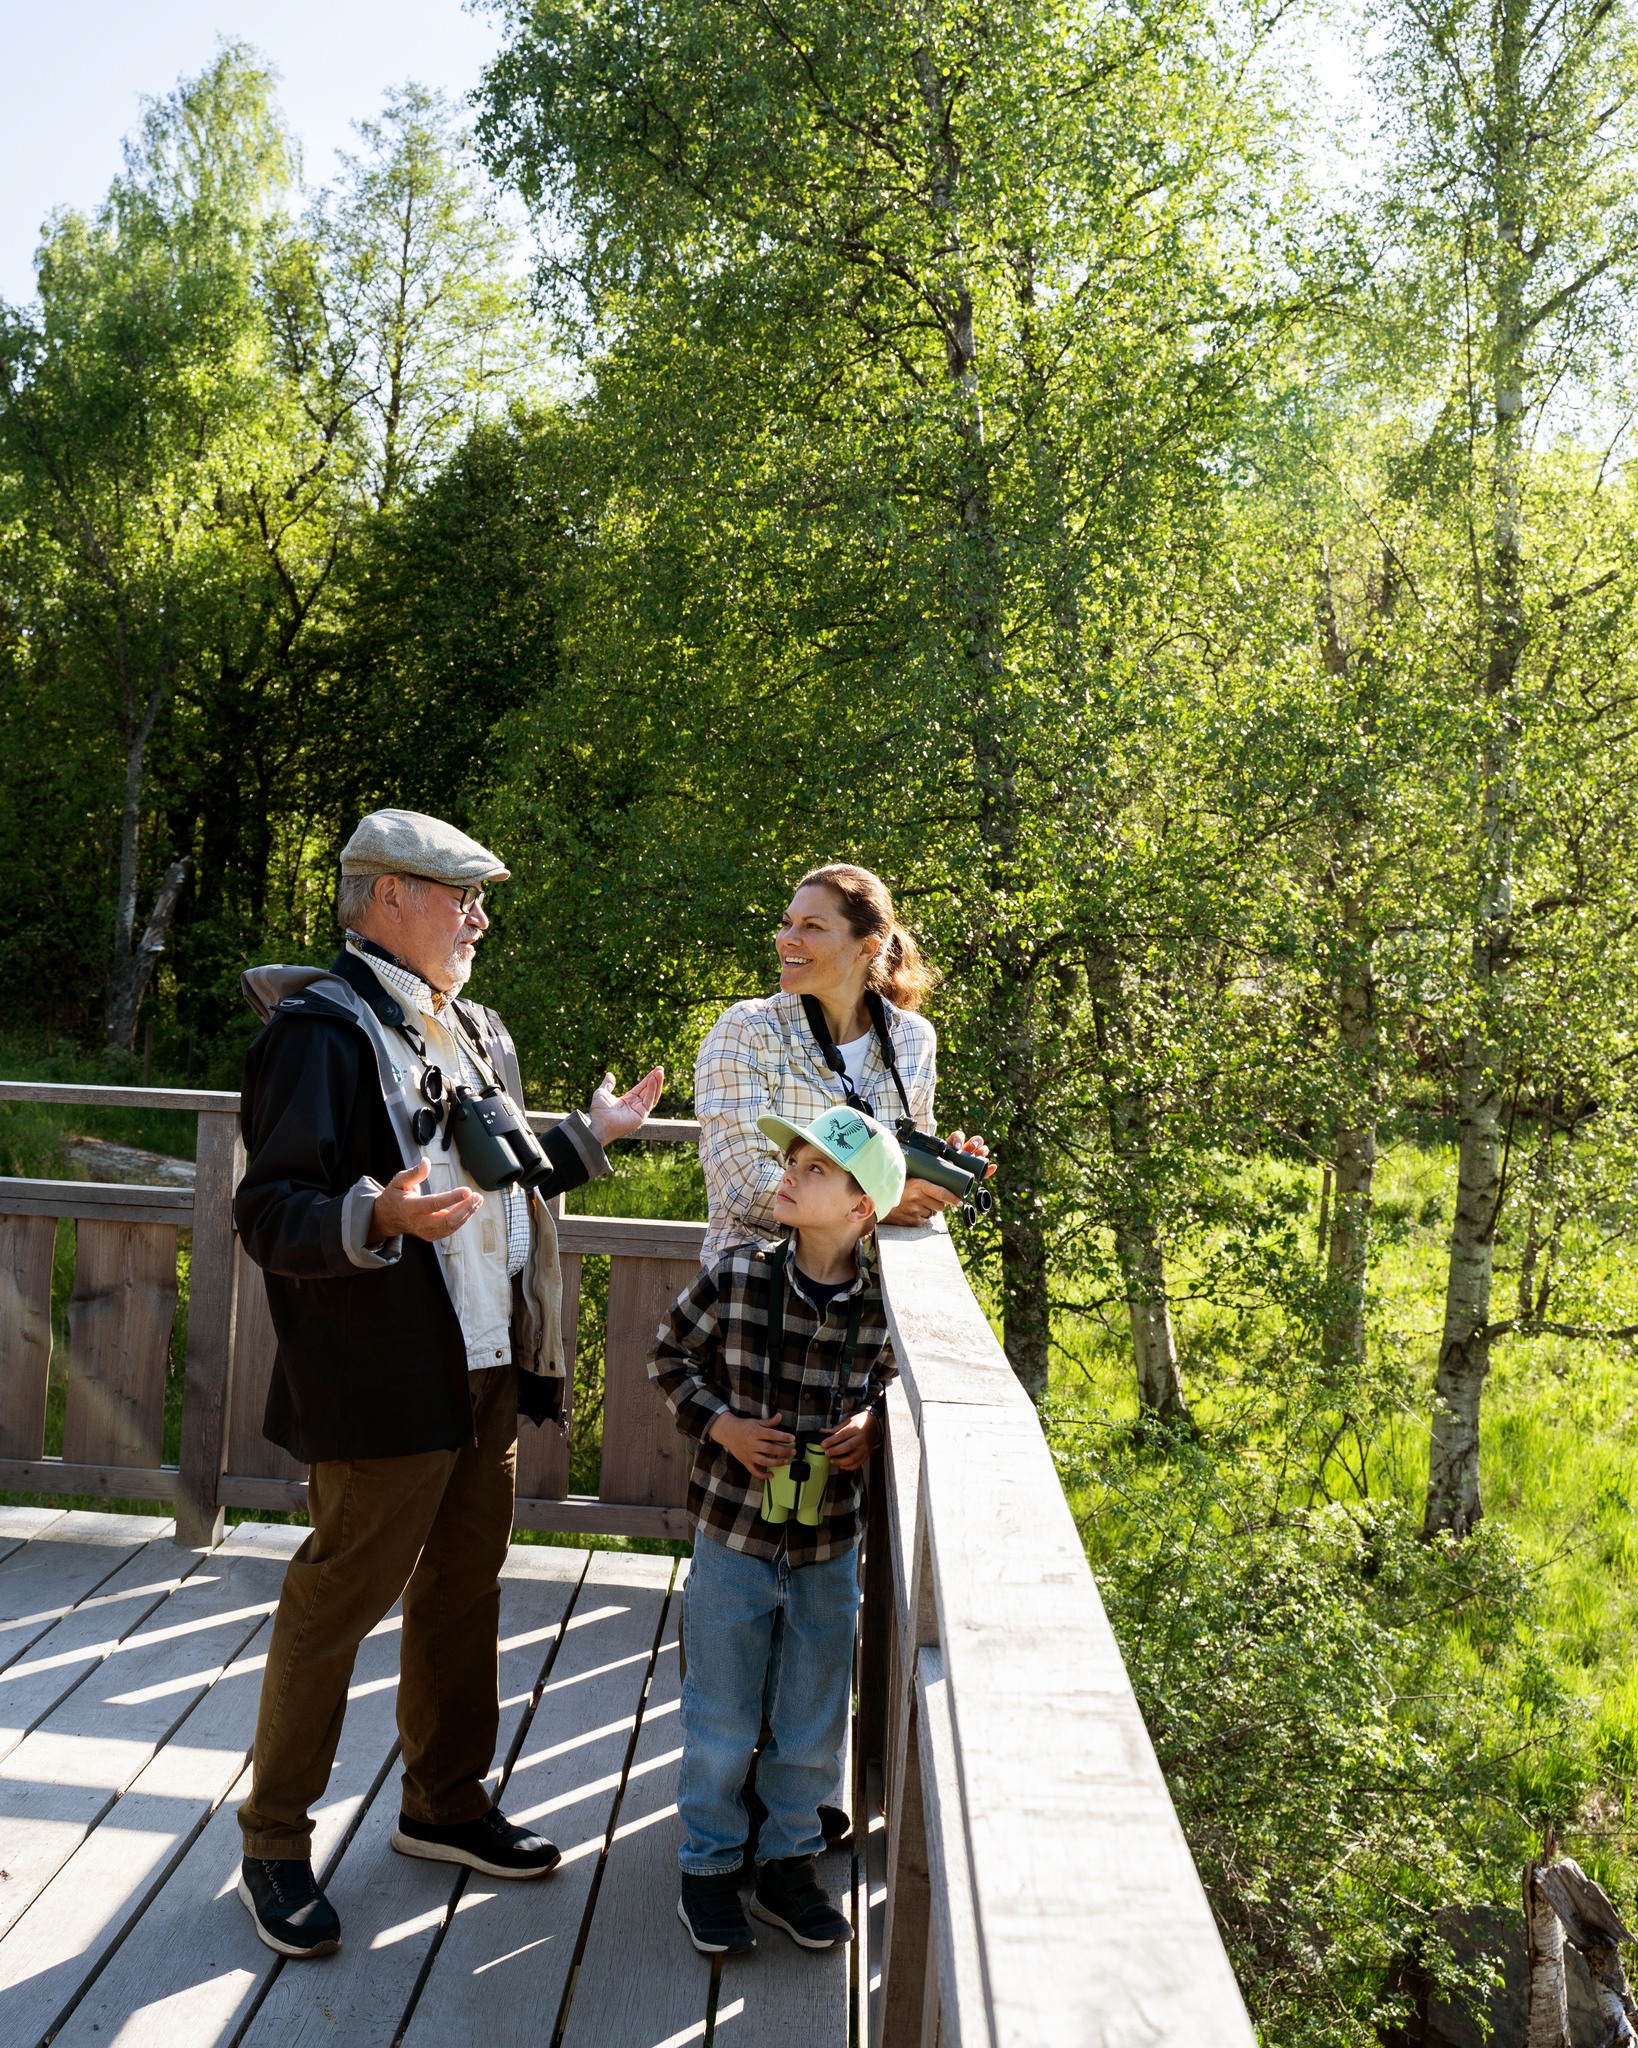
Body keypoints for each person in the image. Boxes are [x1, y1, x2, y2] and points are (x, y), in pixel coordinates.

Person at [231, 807, 663, 1961]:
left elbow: (497, 1176)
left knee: (465, 1588)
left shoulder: (475, 1025)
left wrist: (589, 1136)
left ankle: (444, 1802)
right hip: (384, 1376)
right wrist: (372, 1212)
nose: (479, 917)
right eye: (457, 894)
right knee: (336, 1600)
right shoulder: (317, 1036)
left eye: (479, 897)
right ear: (383, 899)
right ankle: (272, 1842)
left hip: (485, 1361)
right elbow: (265, 1212)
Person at [650, 1103, 906, 1958]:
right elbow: (668, 1357)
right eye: (790, 1165)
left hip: (831, 1544)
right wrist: (722, 1426)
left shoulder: (883, 1311)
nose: (788, 1179)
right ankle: (710, 1867)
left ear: (861, 1207)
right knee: (721, 1714)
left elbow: (908, 1390)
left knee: (810, 1715)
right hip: (734, 1536)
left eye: (812, 1171)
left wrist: (877, 1423)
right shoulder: (738, 1277)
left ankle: (787, 1864)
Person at [695, 862, 987, 1263]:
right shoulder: (747, 1029)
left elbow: (903, 1177)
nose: (787, 940)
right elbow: (741, 1184)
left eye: (812, 926)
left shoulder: (912, 1039)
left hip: (869, 1297)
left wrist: (937, 1168)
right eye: (786, 923)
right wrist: (878, 1204)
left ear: (868, 947)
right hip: (756, 1288)